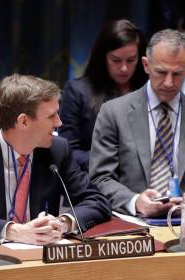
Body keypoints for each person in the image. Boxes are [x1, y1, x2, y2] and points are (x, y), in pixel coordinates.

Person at [0, 74, 111, 244]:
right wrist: (13, 231)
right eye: (51, 116)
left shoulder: (58, 150)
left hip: (42, 259)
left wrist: (61, 224)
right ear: (24, 121)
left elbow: (97, 201)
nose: (59, 123)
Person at [89, 29, 185, 217]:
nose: (168, 82)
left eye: (176, 74)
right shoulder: (113, 113)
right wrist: (135, 201)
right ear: (146, 65)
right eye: (161, 72)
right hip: (131, 222)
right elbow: (100, 178)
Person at [58, 19, 148, 171]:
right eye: (116, 60)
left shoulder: (147, 90)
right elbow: (67, 151)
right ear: (103, 57)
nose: (124, 68)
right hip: (92, 180)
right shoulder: (77, 91)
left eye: (131, 60)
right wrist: (113, 160)